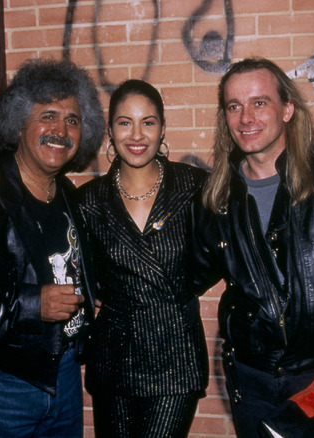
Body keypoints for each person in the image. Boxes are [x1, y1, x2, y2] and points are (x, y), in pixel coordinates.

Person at [191, 58, 314, 438]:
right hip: (251, 380)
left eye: (259, 103)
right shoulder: (217, 195)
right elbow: (188, 273)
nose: (246, 117)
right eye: (234, 106)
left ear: (286, 109)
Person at [0, 58, 106, 437]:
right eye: (48, 115)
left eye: (73, 120)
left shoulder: (67, 193)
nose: (61, 130)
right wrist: (34, 304)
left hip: (62, 373)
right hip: (0, 381)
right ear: (18, 124)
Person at [77, 79, 209, 437]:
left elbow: (215, 258)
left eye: (148, 122)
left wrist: (174, 290)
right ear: (110, 130)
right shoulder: (88, 201)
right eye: (125, 122)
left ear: (163, 128)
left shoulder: (194, 186)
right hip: (114, 358)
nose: (137, 135)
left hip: (176, 355)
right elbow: (84, 272)